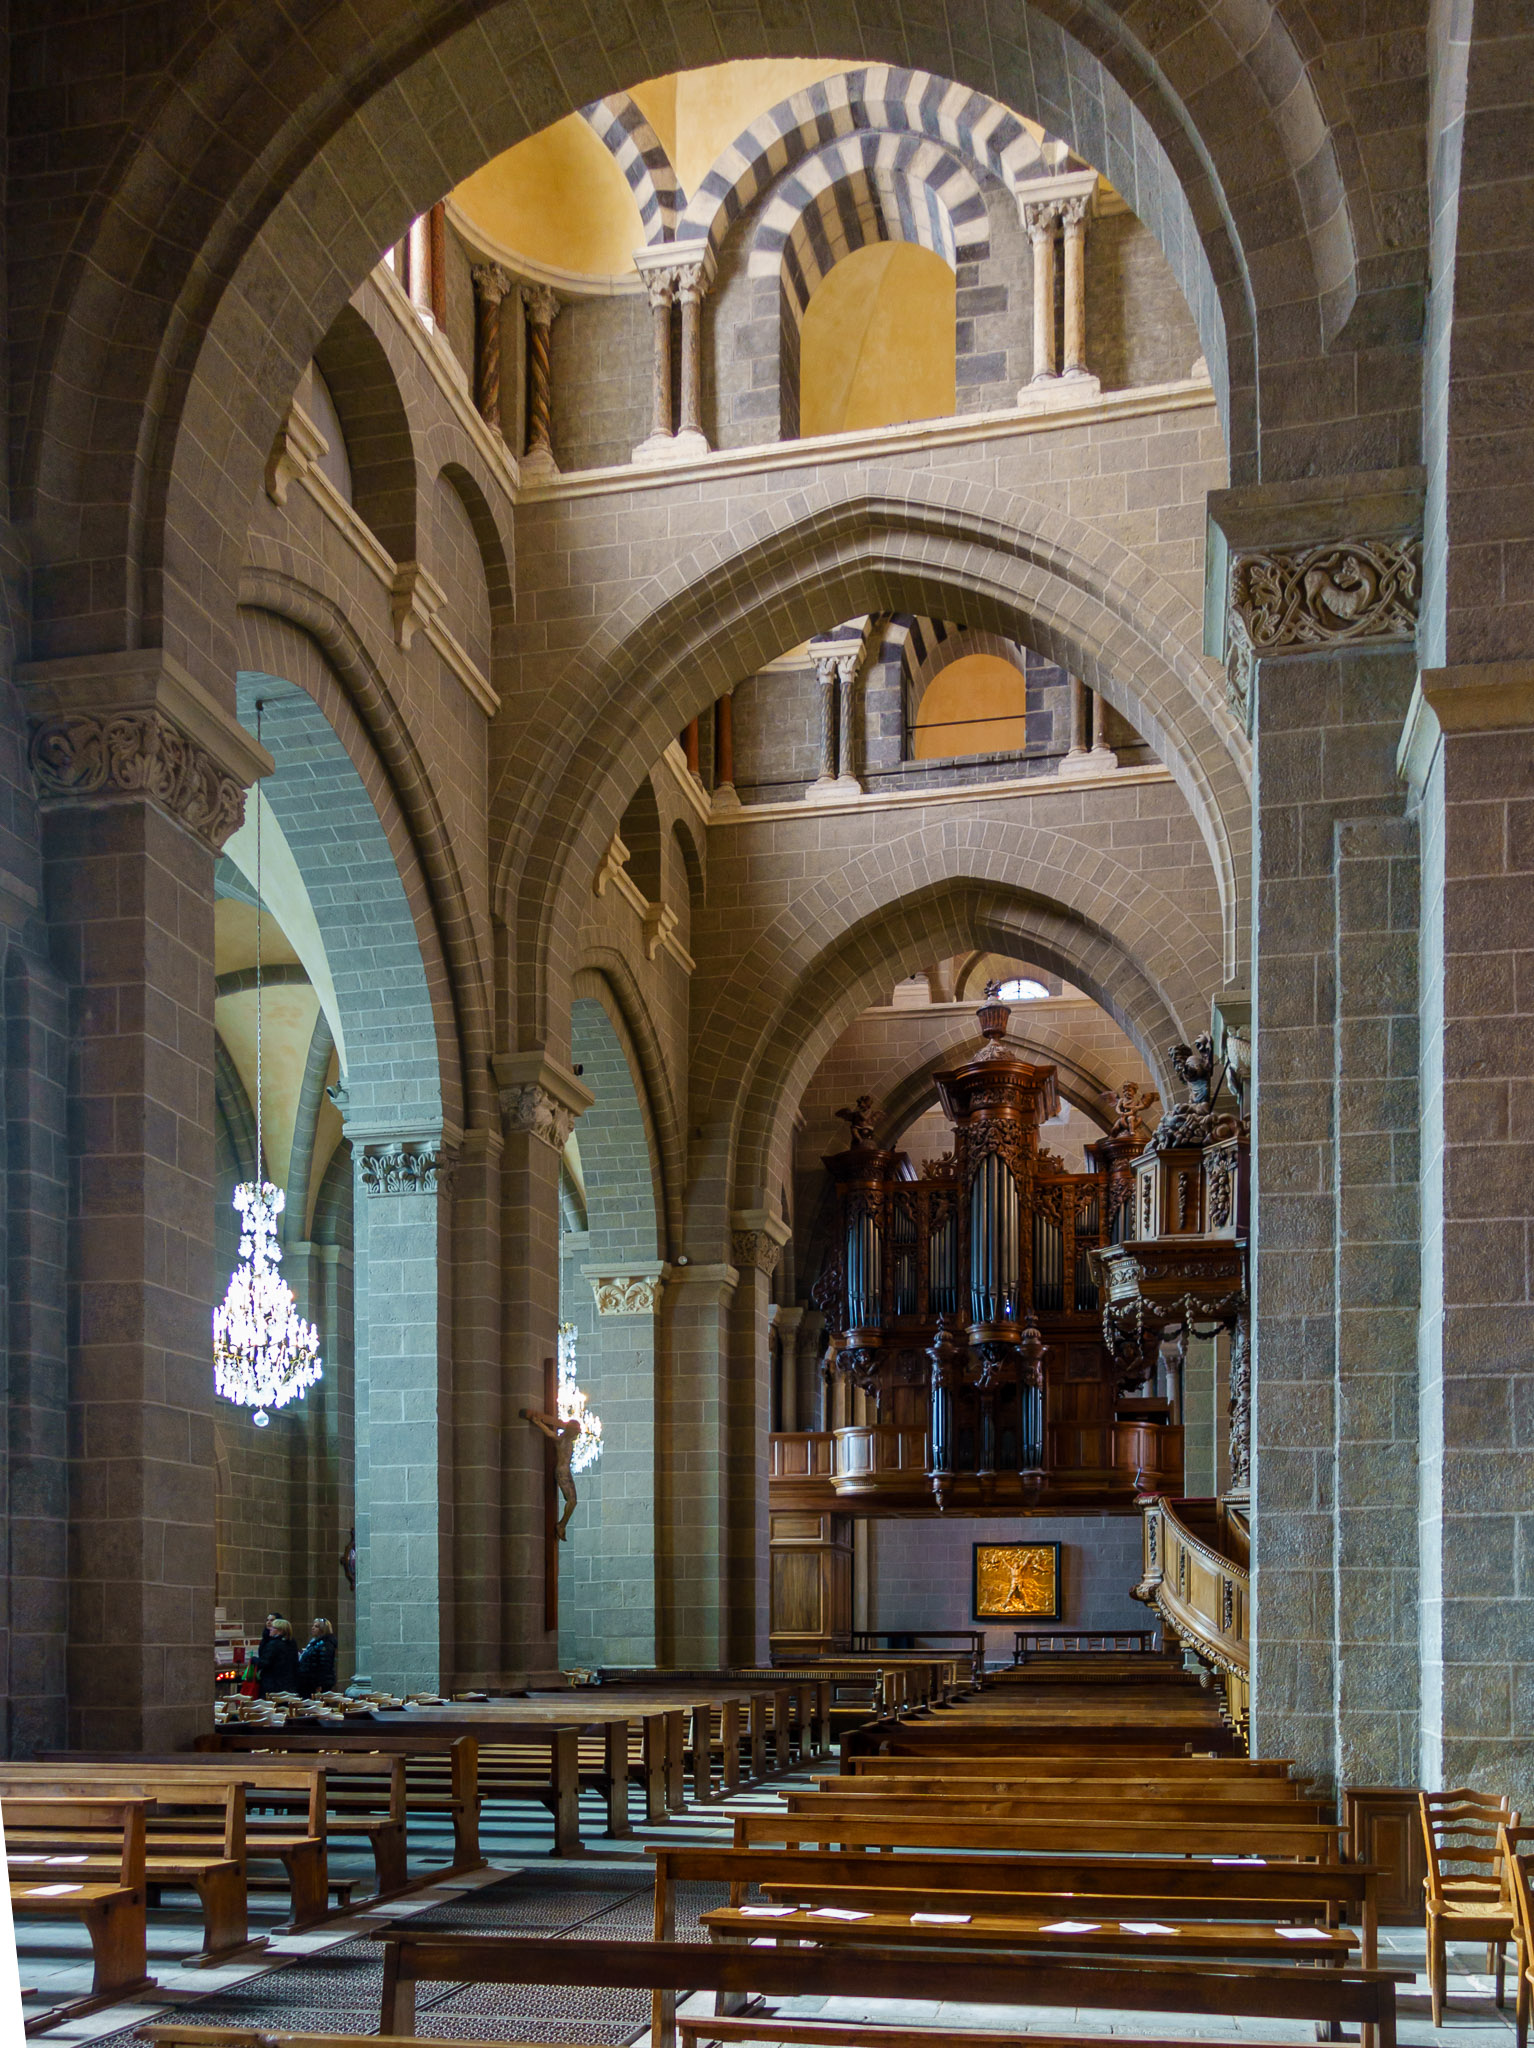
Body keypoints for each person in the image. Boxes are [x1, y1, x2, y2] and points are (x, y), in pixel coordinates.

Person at [256, 1614, 301, 1696]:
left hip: (273, 1683)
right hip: (289, 1683)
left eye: (273, 1628)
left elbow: (265, 1662)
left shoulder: (273, 1644)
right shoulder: (291, 1642)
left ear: (279, 1631)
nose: (270, 1629)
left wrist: (255, 1660)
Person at [297, 1616, 338, 1696]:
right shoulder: (315, 1642)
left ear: (323, 1629)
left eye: (316, 1626)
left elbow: (324, 1666)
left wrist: (319, 1684)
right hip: (309, 1680)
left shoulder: (325, 1644)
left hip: (318, 1682)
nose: (313, 1628)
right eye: (313, 1626)